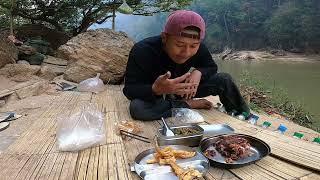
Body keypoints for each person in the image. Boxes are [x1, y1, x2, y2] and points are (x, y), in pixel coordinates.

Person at [123, 10, 249, 121]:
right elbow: (129, 90)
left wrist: (199, 72)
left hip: (183, 91)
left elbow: (211, 67)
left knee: (224, 79)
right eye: (179, 45)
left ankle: (243, 116)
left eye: (193, 46)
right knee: (137, 108)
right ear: (164, 38)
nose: (186, 52)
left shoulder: (199, 48)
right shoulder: (142, 50)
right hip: (156, 97)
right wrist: (156, 89)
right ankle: (187, 104)